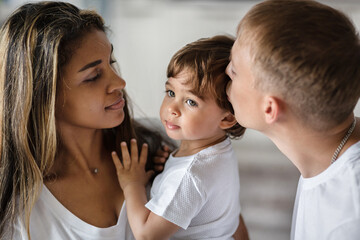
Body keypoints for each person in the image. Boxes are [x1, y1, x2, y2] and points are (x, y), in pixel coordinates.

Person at [0, 2, 173, 239]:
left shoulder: (162, 148)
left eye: (111, 63)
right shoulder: (18, 212)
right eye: (93, 76)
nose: (119, 83)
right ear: (44, 96)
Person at [225, 0, 360, 239]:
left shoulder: (347, 219)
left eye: (234, 71)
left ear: (270, 109)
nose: (226, 72)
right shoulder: (328, 155)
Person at [112, 35, 248, 239]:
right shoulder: (220, 151)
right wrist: (169, 169)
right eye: (170, 92)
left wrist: (133, 184)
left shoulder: (189, 176)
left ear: (228, 118)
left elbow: (146, 235)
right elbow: (231, 216)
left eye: (191, 102)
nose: (172, 108)